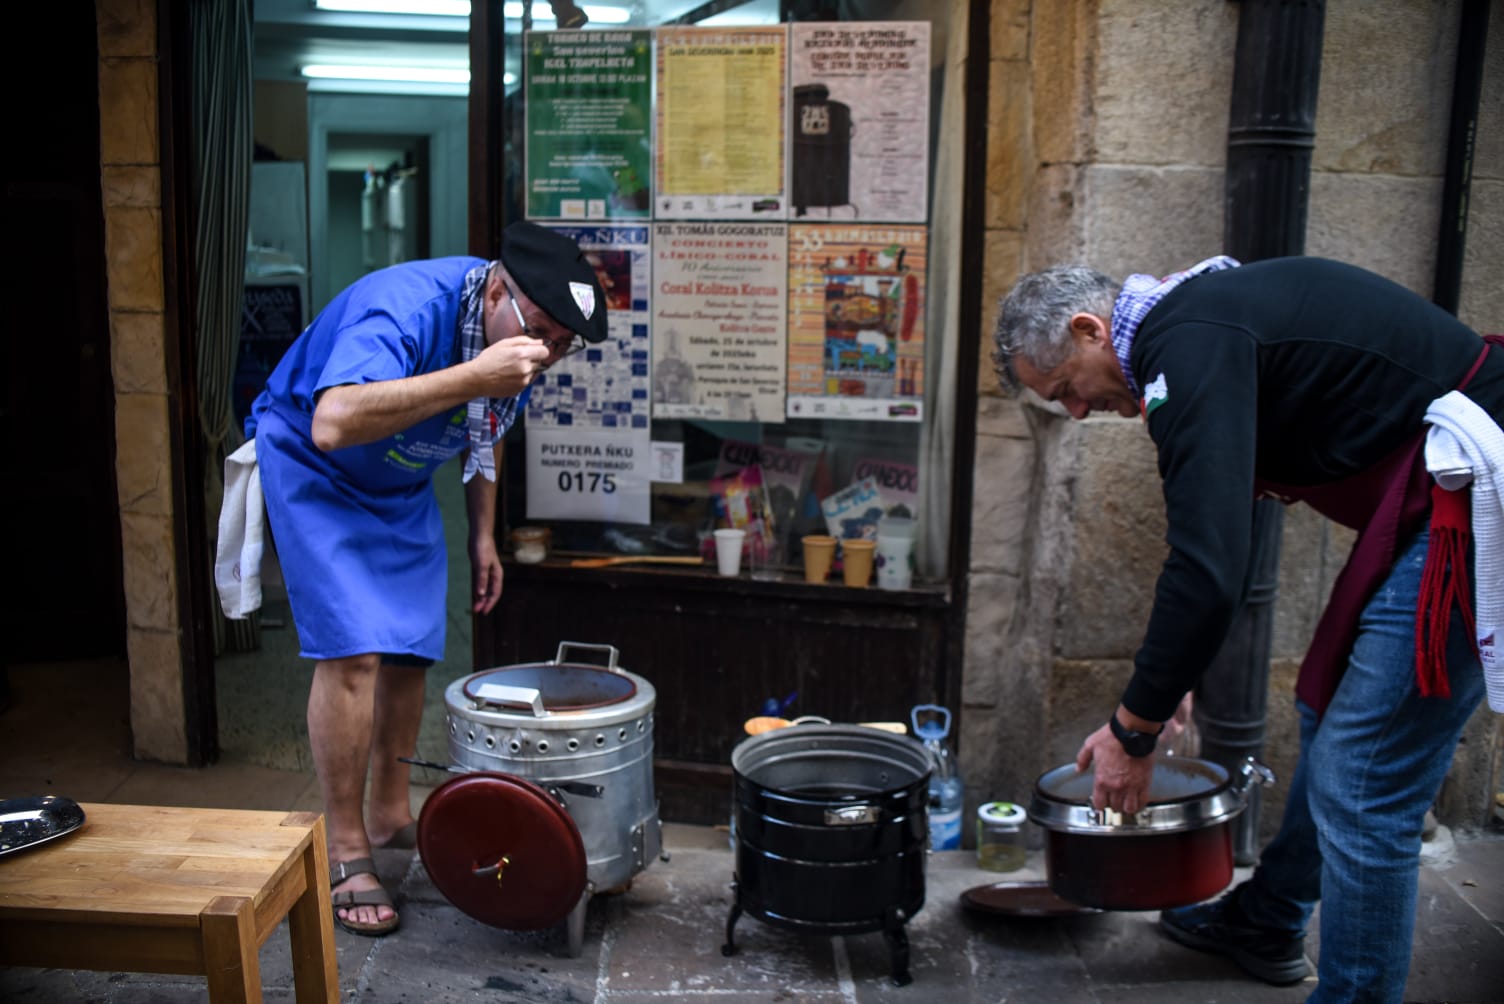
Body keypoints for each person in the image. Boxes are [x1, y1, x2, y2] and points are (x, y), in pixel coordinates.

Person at [991, 255, 1502, 1003]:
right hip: (1430, 492)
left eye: (1066, 388)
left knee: (1363, 784)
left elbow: (1207, 564)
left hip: (1472, 493)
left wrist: (1135, 730)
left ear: (1089, 329)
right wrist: (1179, 674)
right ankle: (1267, 920)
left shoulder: (1186, 343)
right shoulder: (1194, 325)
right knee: (1326, 711)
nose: (1074, 411)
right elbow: (1223, 535)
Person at [244, 221, 608, 937]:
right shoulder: (403, 307)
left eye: (562, 347)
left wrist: (483, 536)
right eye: (541, 332)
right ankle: (346, 845)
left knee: (410, 651)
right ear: (498, 289)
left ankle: (387, 813)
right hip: (318, 473)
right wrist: (477, 373)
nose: (545, 352)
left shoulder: (519, 348)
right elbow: (333, 421)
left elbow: (486, 432)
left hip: (397, 486)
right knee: (355, 652)